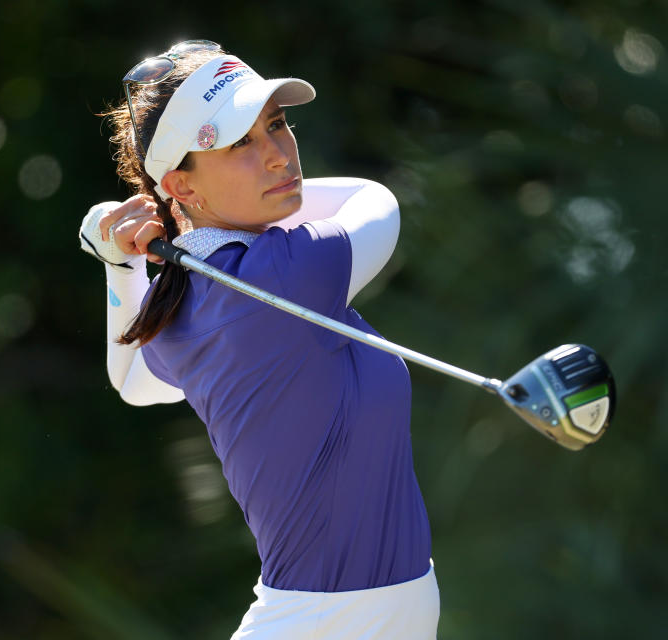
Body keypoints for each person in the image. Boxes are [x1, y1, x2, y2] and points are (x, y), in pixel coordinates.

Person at [79, 40, 439, 639]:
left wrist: (122, 264)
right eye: (240, 142)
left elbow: (134, 382)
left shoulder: (185, 296)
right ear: (182, 184)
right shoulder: (284, 273)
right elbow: (377, 201)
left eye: (276, 125)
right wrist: (163, 230)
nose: (278, 156)